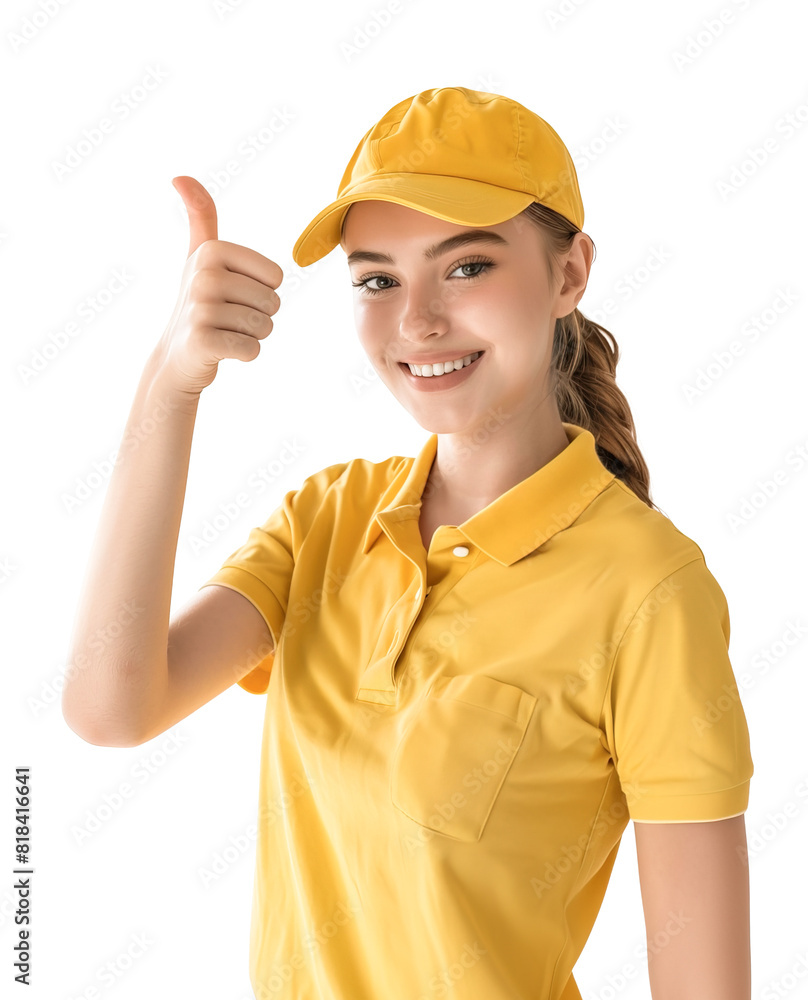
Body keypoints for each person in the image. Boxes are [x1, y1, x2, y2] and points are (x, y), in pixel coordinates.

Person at [63, 87, 754, 1000]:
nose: (417, 321)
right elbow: (111, 710)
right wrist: (170, 386)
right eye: (377, 278)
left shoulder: (649, 590)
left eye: (466, 267)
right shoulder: (327, 521)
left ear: (569, 274)